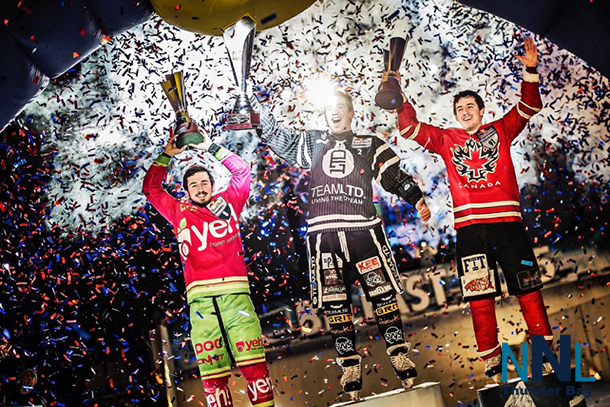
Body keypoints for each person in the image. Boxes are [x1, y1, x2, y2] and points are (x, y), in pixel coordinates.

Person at [250, 88, 431, 398]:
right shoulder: (314, 141)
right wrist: (255, 107)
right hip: (324, 237)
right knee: (335, 304)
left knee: (382, 294)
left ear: (351, 114)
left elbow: (393, 175)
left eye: (339, 108)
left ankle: (398, 354)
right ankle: (349, 363)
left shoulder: (369, 144)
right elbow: (278, 137)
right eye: (328, 108)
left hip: (363, 232)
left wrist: (415, 198)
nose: (333, 112)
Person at [396, 37, 553, 383]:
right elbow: (409, 128)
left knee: (528, 289)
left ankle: (543, 354)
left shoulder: (502, 129)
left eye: (470, 107)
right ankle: (492, 362)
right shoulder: (447, 139)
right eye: (459, 109)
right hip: (470, 231)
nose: (465, 112)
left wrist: (530, 69)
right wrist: (398, 97)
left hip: (508, 226)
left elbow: (529, 106)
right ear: (455, 116)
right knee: (480, 297)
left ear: (482, 111)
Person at [142, 124, 274, 407]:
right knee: (213, 377)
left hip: (236, 297)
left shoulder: (230, 201)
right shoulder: (178, 211)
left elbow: (241, 171)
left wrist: (209, 146)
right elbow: (151, 189)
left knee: (253, 366)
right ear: (186, 190)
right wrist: (168, 153)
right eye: (193, 185)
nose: (200, 188)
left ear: (213, 186)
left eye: (204, 183)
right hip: (201, 305)